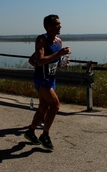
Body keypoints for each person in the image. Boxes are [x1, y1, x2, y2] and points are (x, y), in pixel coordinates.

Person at [24, 14, 71, 151]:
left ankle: (30, 132)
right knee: (55, 106)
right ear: (48, 26)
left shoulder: (59, 41)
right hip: (42, 79)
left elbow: (53, 62)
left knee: (43, 108)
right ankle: (45, 135)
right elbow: (39, 61)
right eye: (57, 24)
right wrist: (58, 54)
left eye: (60, 24)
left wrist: (63, 62)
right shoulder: (41, 39)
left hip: (51, 78)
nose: (60, 26)